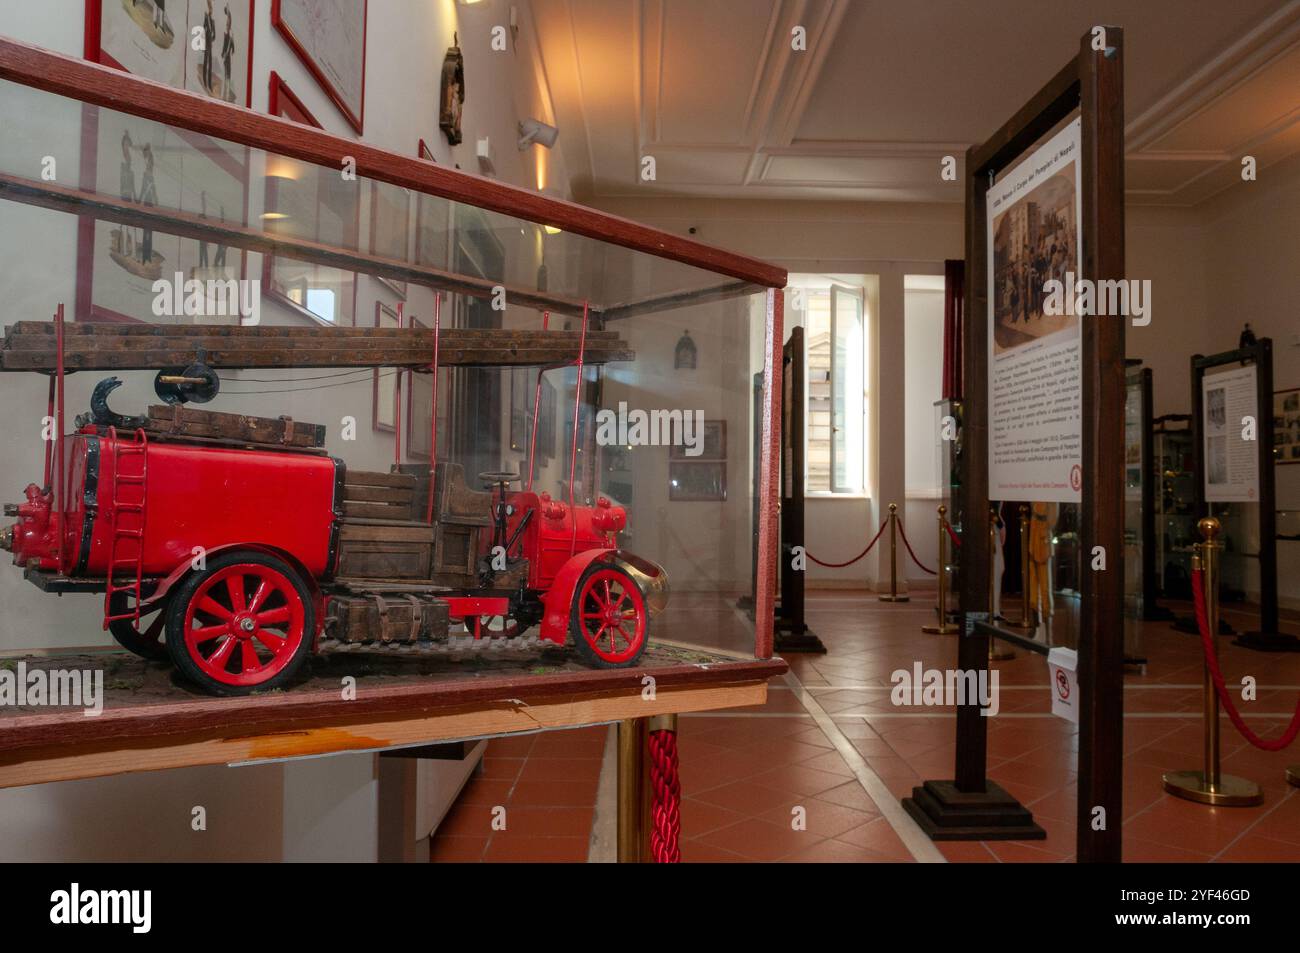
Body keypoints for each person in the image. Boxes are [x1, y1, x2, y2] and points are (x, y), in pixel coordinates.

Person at [139, 143, 157, 267]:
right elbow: (143, 190)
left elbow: (150, 191)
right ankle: (146, 256)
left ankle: (147, 256)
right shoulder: (147, 177)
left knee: (148, 232)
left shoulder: (149, 177)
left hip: (148, 204)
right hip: (147, 204)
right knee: (147, 232)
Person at [220, 5, 236, 102]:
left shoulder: (229, 37)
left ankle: (226, 95)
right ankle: (224, 95)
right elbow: (225, 49)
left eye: (227, 24)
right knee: (225, 75)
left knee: (227, 76)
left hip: (227, 59)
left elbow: (232, 50)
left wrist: (226, 53)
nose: (227, 25)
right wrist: (224, 53)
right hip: (226, 58)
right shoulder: (227, 36)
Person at [202, 0, 216, 94]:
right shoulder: (206, 18)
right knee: (205, 61)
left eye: (212, 8)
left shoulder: (212, 21)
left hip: (210, 43)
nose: (211, 9)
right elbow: (203, 31)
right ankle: (204, 81)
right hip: (206, 43)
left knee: (210, 63)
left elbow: (214, 34)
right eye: (210, 7)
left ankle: (209, 84)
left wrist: (212, 37)